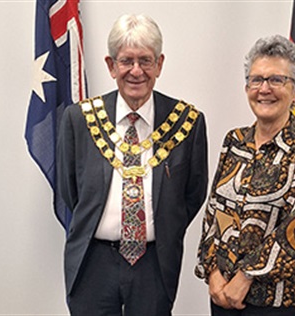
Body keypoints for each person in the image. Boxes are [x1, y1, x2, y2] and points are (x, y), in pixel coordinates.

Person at [57, 14, 208, 316]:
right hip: (93, 263)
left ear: (159, 64)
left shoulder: (187, 122)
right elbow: (68, 192)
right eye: (126, 61)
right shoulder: (79, 119)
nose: (136, 71)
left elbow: (192, 196)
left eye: (145, 61)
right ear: (111, 65)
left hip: (153, 265)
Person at [195, 34, 295, 316]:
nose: (264, 89)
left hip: (278, 302)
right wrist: (212, 272)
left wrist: (245, 277)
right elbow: (213, 214)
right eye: (256, 80)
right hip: (223, 296)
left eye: (276, 80)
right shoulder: (233, 141)